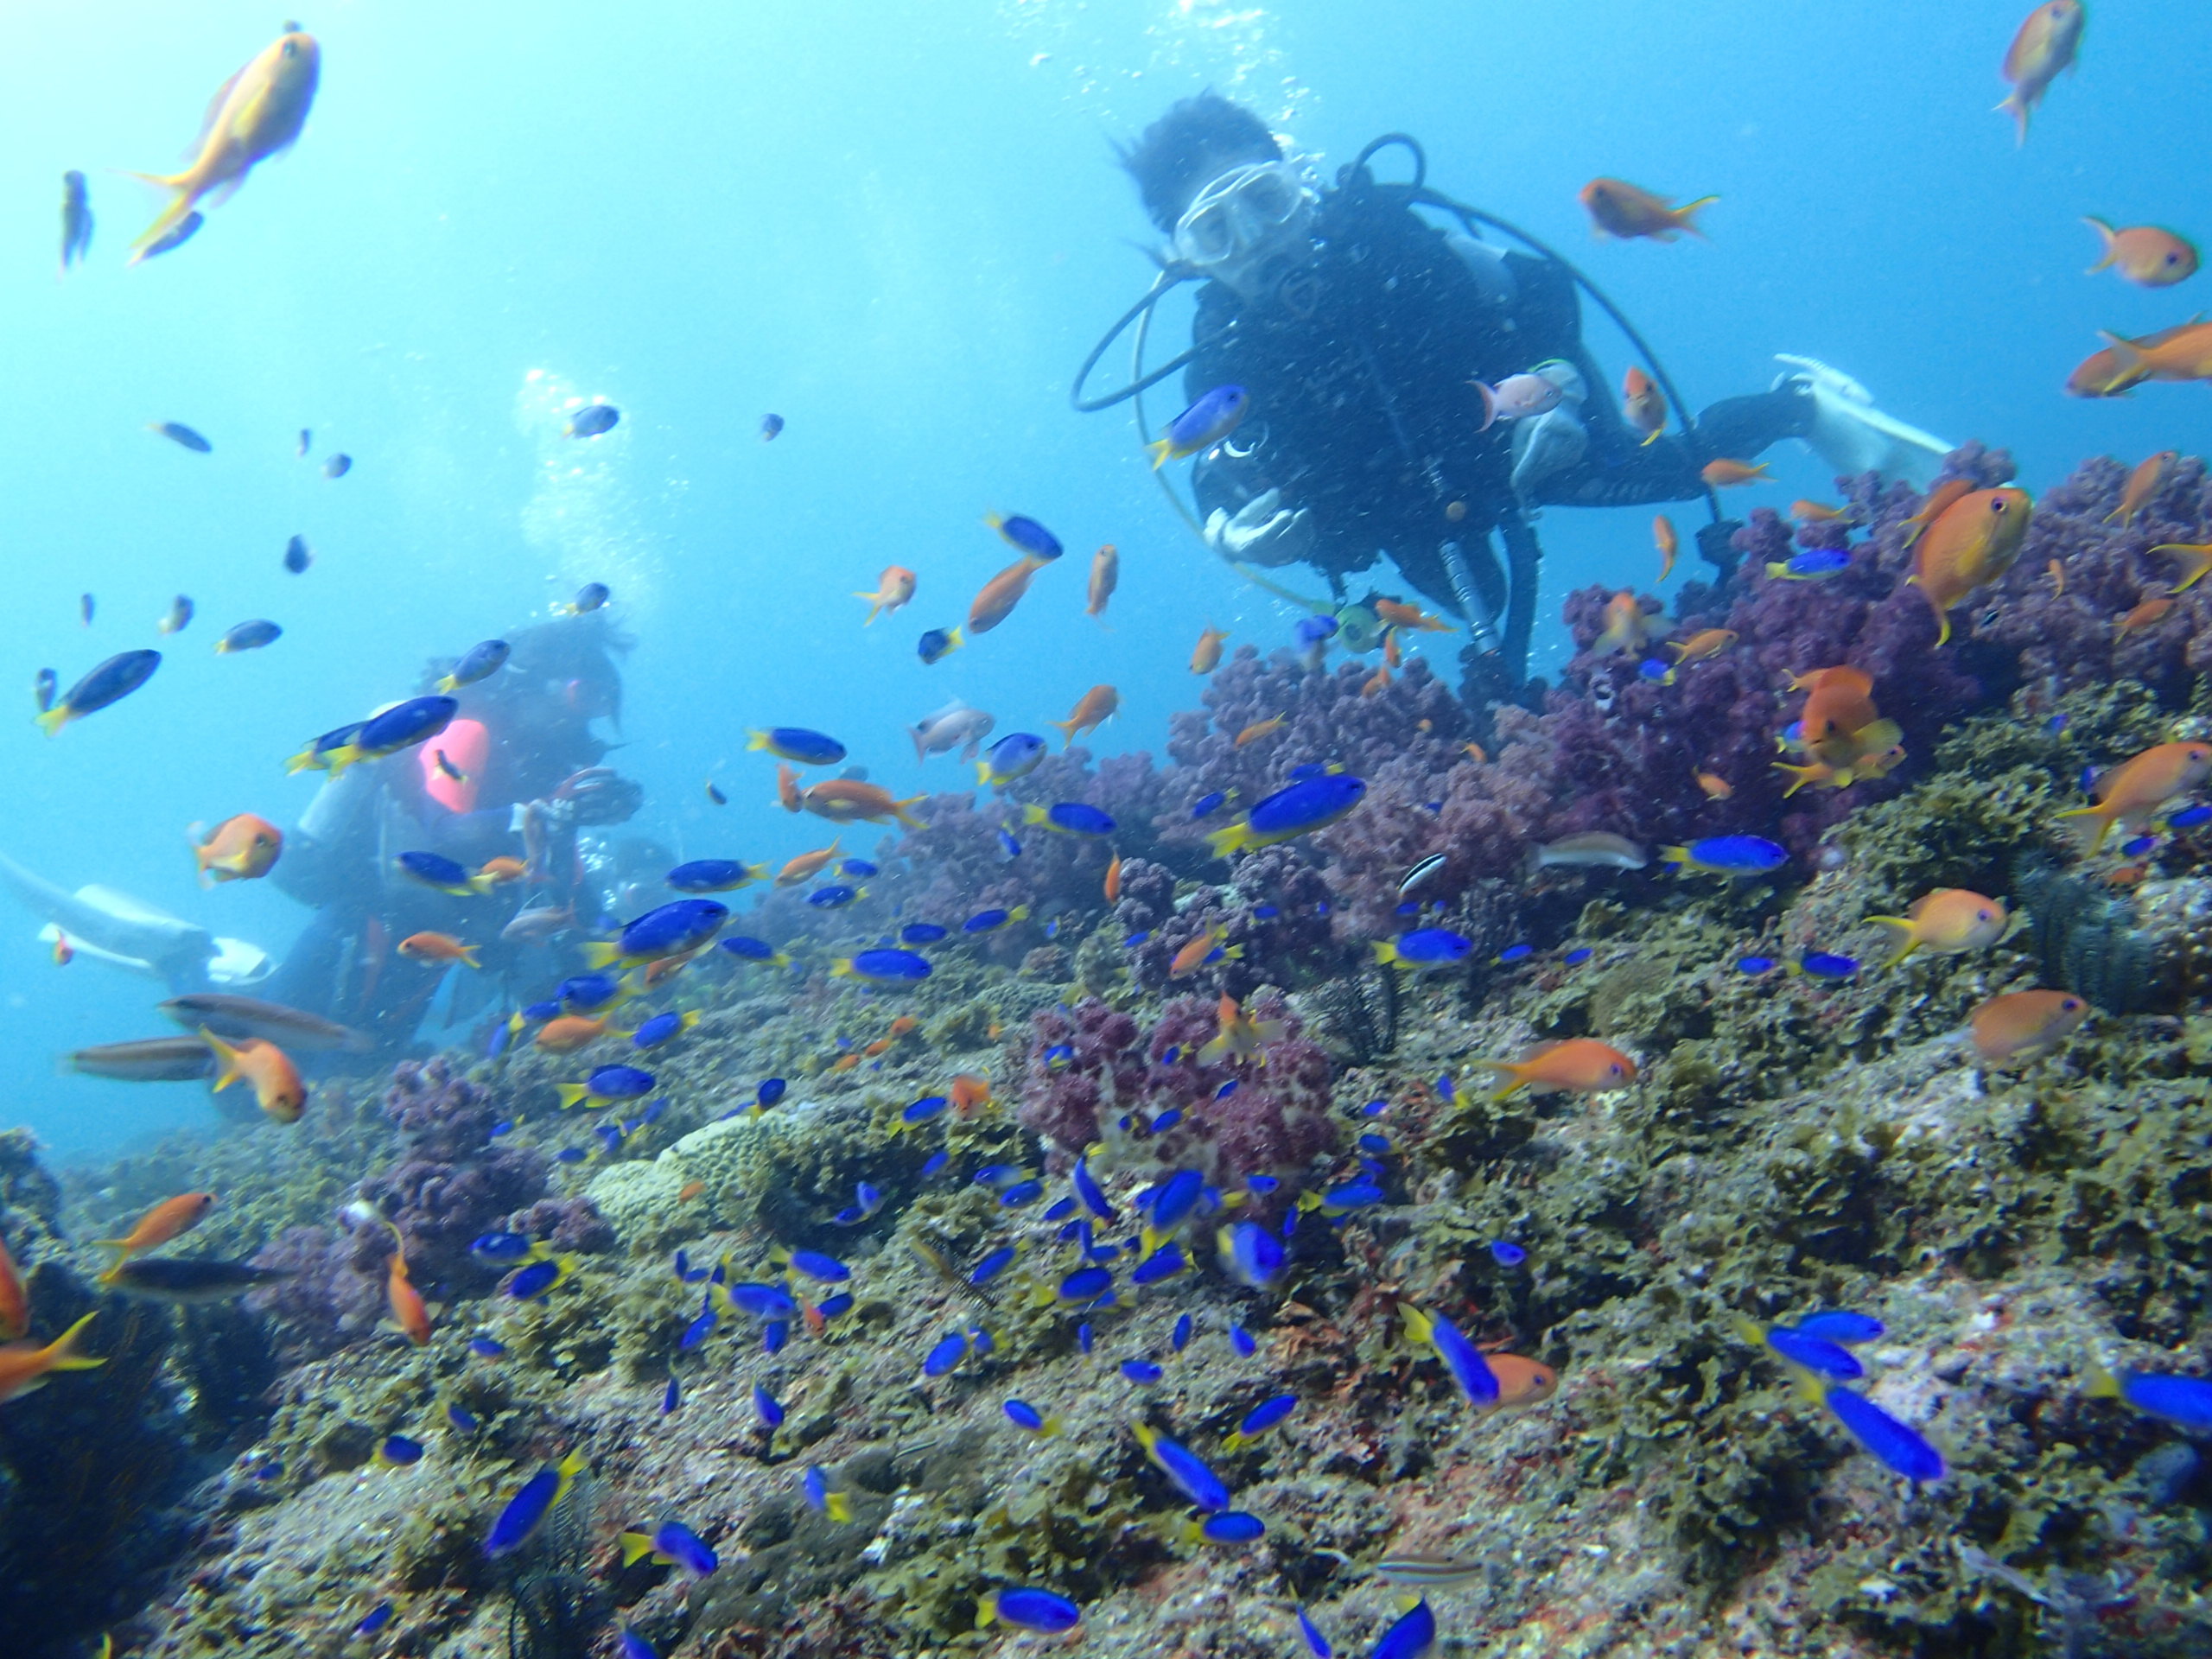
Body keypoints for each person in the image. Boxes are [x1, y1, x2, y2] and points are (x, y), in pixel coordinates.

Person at [1096, 95, 1952, 705]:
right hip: (1397, 514)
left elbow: (1540, 300)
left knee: (1676, 472)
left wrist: (1560, 392)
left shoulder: (1388, 241)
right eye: (1217, 231)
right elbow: (1212, 469)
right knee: (1491, 615)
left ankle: (1802, 404)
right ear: (1186, 260)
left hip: (1522, 444)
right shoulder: (1221, 355)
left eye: (1265, 201)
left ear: (1299, 185)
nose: (1259, 241)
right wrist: (1227, 528)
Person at [0, 612, 644, 1054]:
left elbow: (558, 880)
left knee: (361, 1064)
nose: (583, 719)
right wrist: (546, 814)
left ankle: (232, 973)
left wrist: (617, 946)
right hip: (369, 921)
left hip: (438, 936)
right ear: (537, 678)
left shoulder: (547, 765)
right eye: (582, 696)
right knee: (263, 1074)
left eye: (599, 706)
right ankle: (181, 956)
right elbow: (445, 832)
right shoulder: (465, 726)